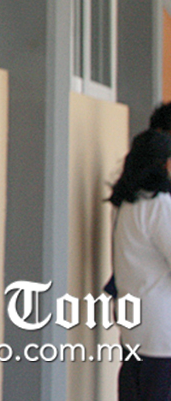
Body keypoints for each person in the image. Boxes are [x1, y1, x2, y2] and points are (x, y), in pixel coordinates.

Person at [109, 128, 171, 401]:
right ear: (164, 164)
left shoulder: (124, 205)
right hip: (161, 331)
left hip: (132, 325)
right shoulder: (159, 205)